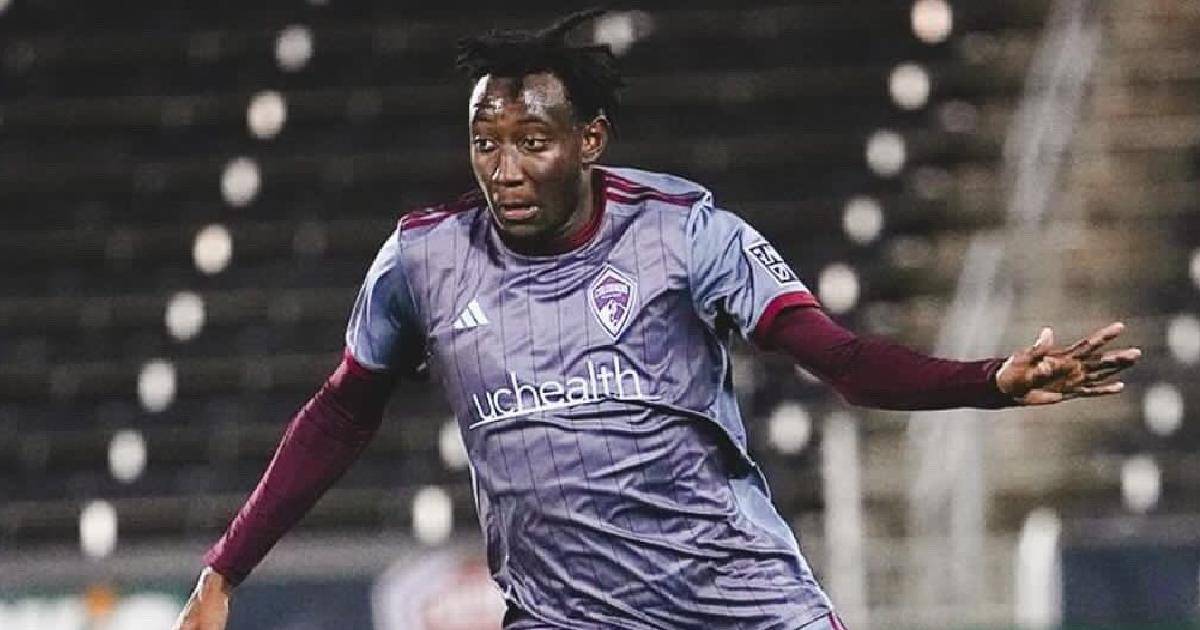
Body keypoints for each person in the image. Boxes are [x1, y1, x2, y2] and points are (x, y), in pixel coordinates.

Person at [173, 9, 1140, 630]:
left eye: (532, 141)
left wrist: (989, 381)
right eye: (484, 142)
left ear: (590, 139)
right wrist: (224, 571)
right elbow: (342, 413)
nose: (504, 169)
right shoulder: (422, 260)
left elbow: (840, 361)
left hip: (740, 604)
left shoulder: (684, 234)